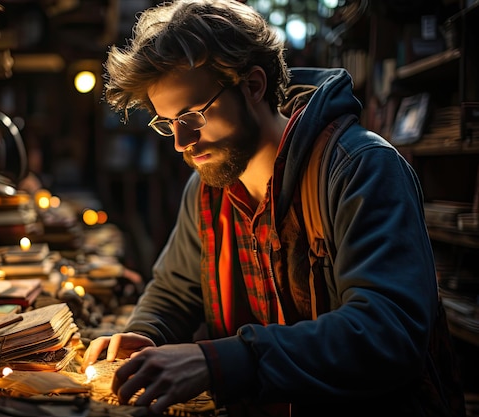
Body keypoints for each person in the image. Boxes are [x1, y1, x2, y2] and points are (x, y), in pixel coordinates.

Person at [81, 1, 465, 416]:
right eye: (168, 123)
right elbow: (174, 292)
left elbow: (387, 335)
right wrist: (146, 333)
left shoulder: (361, 170)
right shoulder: (208, 189)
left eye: (192, 116)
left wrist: (220, 362)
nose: (181, 142)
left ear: (253, 85)